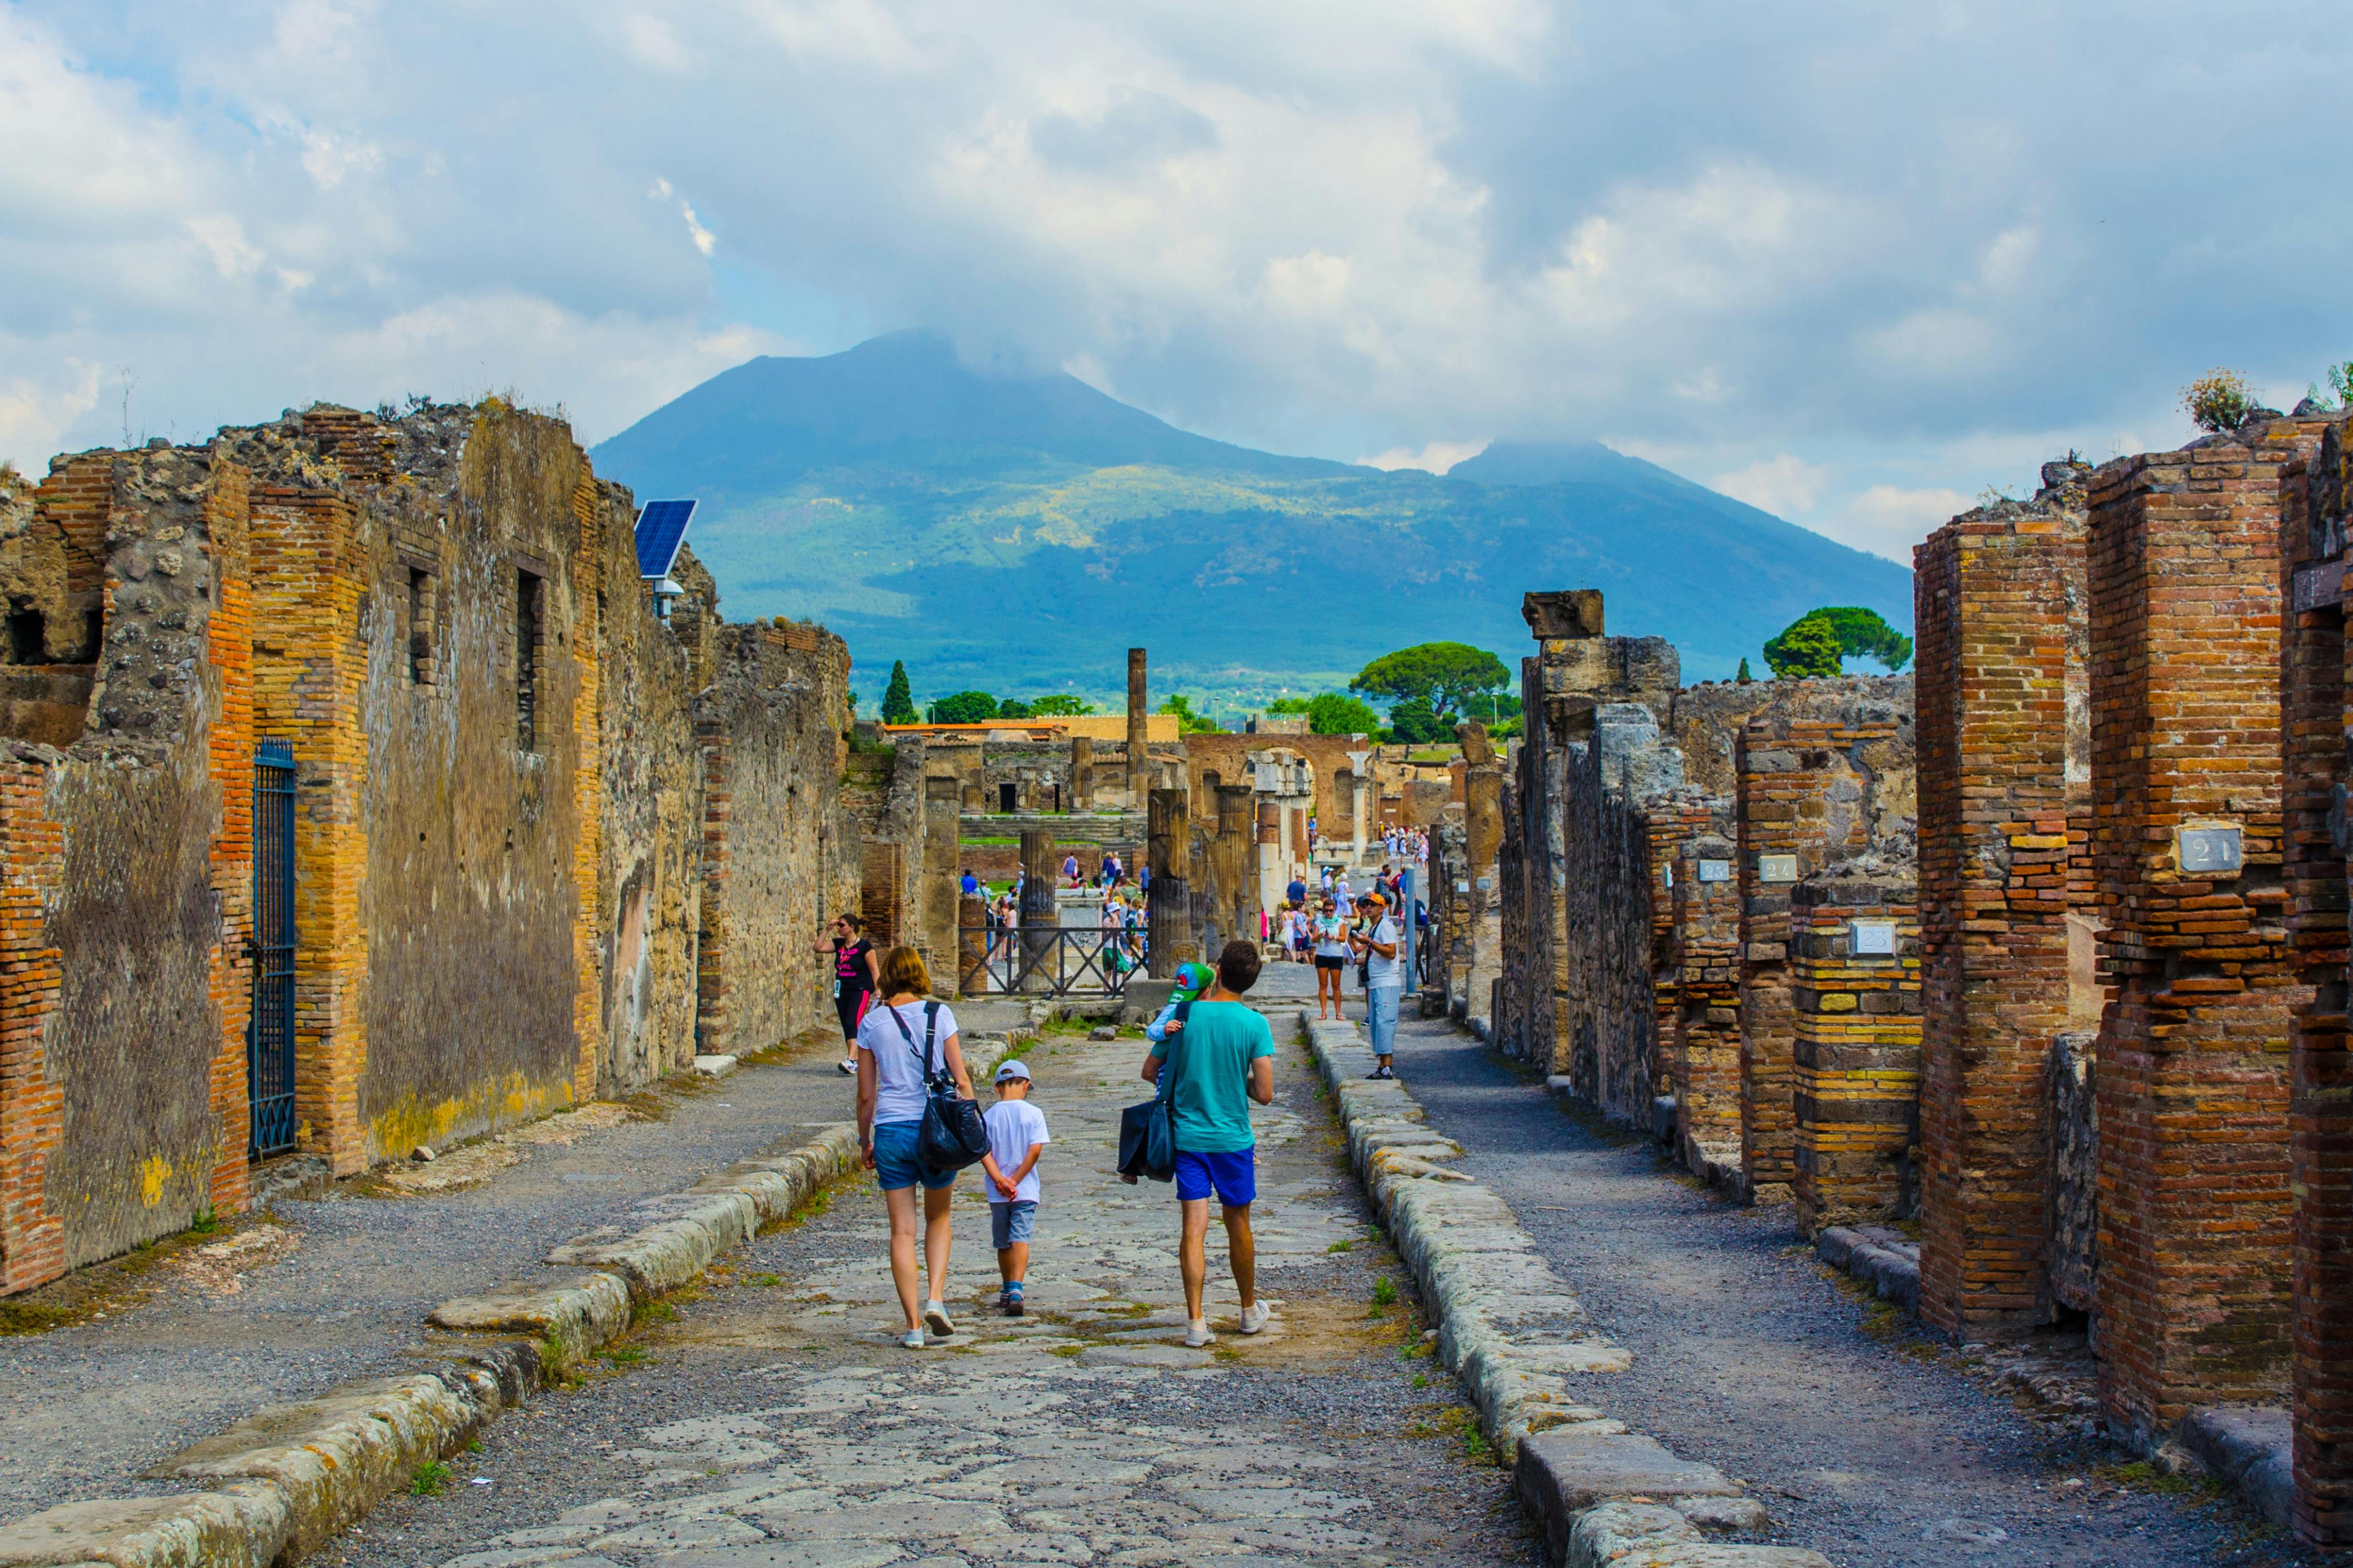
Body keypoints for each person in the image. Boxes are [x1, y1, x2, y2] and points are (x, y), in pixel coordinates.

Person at [1141, 939, 1276, 1347]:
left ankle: (1196, 1322)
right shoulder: (1254, 1024)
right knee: (1238, 1223)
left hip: (1188, 1136)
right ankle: (1249, 1309)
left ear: (1217, 970)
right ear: (1250, 982)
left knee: (1193, 1229)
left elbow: (1150, 1071)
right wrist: (1239, 1083)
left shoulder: (1185, 1014)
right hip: (1232, 1137)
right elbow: (1266, 1093)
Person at [855, 947, 975, 1348]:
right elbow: (961, 1080)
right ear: (919, 974)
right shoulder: (939, 1015)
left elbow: (866, 1096)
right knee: (938, 1219)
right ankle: (936, 1299)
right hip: (936, 1129)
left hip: (891, 1130)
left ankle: (912, 1327)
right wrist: (973, 1129)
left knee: (902, 1232)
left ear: (887, 976)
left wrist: (864, 1140)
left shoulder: (872, 1023)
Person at [979, 1060, 1049, 1316]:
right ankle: (1018, 1288)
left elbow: (984, 1152)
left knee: (1002, 1242)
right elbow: (1035, 1150)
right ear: (1026, 1085)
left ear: (998, 1088)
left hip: (997, 1193)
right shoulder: (1034, 1114)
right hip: (1026, 1189)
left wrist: (1000, 1180)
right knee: (1020, 1237)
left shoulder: (987, 1116)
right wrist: (1016, 1181)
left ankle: (1006, 1287)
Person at [819, 913, 880, 1076]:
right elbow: (818, 948)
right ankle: (855, 1060)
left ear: (852, 927)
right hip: (842, 989)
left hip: (860, 989)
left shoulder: (865, 947)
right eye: (838, 925)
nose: (839, 928)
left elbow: (874, 970)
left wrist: (879, 988)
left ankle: (852, 1060)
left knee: (853, 1021)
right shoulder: (839, 945)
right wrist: (827, 930)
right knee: (847, 1024)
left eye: (841, 925)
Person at [1352, 894, 1403, 1080]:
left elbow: (1390, 952)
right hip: (1376, 981)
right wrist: (1356, 960)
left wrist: (1369, 943)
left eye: (1373, 905)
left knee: (1384, 1022)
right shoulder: (1374, 928)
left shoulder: (1386, 927)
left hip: (1386, 981)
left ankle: (1388, 1065)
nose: (1369, 907)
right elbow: (1376, 955)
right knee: (1375, 1023)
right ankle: (1382, 1064)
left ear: (1382, 908)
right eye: (1367, 905)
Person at [1311, 895, 1349, 1020]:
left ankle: (1338, 1012)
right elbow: (1313, 939)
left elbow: (1344, 938)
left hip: (1336, 954)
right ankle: (1323, 1012)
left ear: (1334, 910)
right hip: (1322, 954)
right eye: (1326, 910)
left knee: (1336, 985)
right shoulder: (1318, 922)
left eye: (1330, 910)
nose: (1328, 913)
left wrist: (1335, 937)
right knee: (1323, 984)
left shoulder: (1340, 922)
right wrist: (1320, 936)